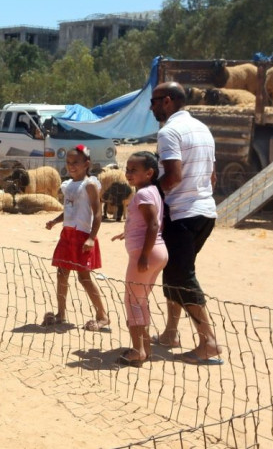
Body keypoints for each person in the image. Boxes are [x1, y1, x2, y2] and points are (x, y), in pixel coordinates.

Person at [150, 81, 224, 365]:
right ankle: (170, 333)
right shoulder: (203, 129)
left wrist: (148, 195)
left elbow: (172, 177)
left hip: (181, 214)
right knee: (173, 273)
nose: (151, 107)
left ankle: (208, 342)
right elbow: (213, 178)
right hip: (205, 212)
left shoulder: (169, 131)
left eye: (154, 101)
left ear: (168, 101)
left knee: (182, 276)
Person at [44, 144, 110, 331]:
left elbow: (97, 213)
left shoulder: (89, 185)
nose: (71, 166)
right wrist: (55, 221)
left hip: (82, 235)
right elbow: (69, 210)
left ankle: (102, 315)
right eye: (68, 162)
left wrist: (91, 237)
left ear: (86, 164)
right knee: (61, 274)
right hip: (67, 234)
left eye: (76, 163)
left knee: (84, 277)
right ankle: (61, 314)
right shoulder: (68, 185)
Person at [111, 151, 168, 366]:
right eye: (127, 169)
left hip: (147, 253)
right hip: (158, 252)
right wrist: (127, 233)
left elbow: (153, 224)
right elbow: (145, 224)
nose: (128, 173)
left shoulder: (143, 195)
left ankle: (137, 351)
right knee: (140, 300)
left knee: (132, 301)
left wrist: (143, 255)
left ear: (149, 173)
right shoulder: (152, 191)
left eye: (134, 170)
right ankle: (146, 347)